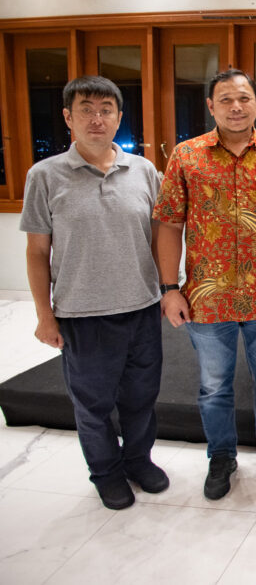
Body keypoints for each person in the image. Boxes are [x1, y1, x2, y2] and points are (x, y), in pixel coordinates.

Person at [154, 68, 256, 501]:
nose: (235, 107)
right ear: (211, 106)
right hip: (207, 295)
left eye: (243, 99)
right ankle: (221, 456)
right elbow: (169, 224)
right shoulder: (186, 156)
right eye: (225, 99)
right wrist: (169, 288)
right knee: (214, 386)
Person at [21, 75, 167, 510]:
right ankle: (106, 472)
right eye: (86, 109)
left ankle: (138, 460)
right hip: (82, 313)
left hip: (142, 307)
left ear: (119, 117)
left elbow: (157, 236)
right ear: (68, 117)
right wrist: (44, 315)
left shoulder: (143, 171)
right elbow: (37, 251)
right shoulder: (45, 175)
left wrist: (167, 289)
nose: (97, 118)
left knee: (141, 397)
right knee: (93, 404)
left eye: (106, 110)